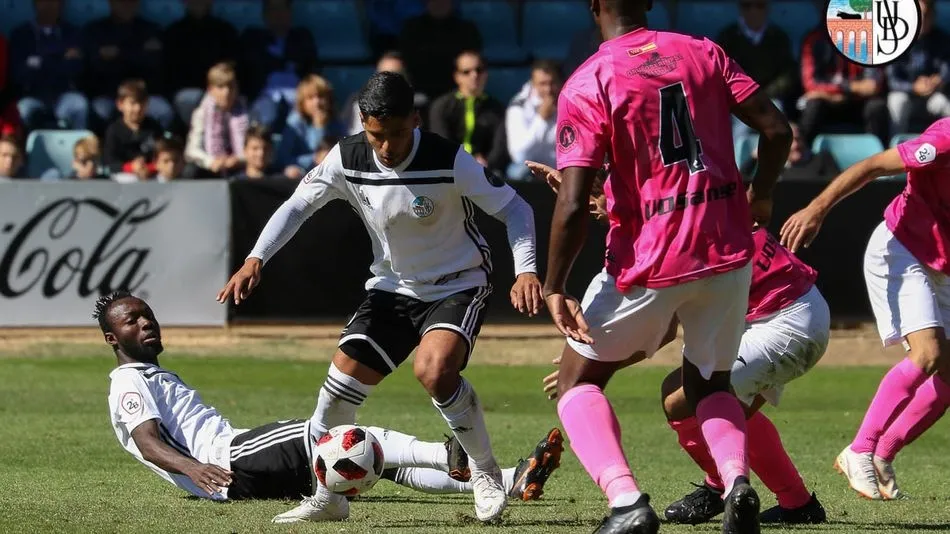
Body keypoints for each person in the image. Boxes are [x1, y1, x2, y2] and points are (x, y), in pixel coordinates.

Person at [217, 71, 543, 524]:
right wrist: (256, 258)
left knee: (434, 371)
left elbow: (517, 208)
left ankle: (485, 473)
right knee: (333, 398)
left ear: (415, 119)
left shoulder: (448, 159)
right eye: (375, 135)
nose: (386, 146)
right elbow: (297, 205)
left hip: (458, 283)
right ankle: (329, 498)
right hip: (390, 290)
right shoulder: (347, 156)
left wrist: (525, 270)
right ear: (363, 124)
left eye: (395, 133)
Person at [542, 0, 792, 532]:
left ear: (593, 6)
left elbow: (572, 201)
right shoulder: (703, 51)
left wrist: (554, 284)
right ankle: (737, 483)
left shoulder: (590, 80)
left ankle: (627, 503)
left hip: (650, 261)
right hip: (726, 252)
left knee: (574, 382)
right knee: (712, 385)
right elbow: (777, 131)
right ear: (649, 1)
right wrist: (762, 195)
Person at [532, 161, 828, 525]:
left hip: (783, 320)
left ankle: (720, 488)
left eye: (604, 187)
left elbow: (666, 327)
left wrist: (598, 363)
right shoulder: (688, 199)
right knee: (721, 400)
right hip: (792, 312)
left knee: (683, 399)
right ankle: (795, 503)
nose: (598, 202)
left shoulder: (664, 229)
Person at [98, 292, 563, 503]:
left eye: (148, 315)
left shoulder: (151, 373)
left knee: (377, 465)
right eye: (132, 320)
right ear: (110, 338)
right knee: (344, 436)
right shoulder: (127, 382)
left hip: (229, 471)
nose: (146, 323)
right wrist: (194, 468)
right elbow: (146, 439)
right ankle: (447, 452)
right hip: (229, 459)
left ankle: (506, 480)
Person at [780, 117, 950, 501]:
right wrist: (817, 208)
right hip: (901, 248)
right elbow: (871, 166)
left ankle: (882, 455)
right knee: (929, 353)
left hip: (942, 262)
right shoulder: (943, 142)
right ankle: (859, 449)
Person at [103, 79, 165, 179]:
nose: (137, 108)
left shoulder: (154, 128)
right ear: (120, 104)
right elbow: (109, 162)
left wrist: (148, 168)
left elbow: (162, 156)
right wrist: (131, 167)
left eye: (141, 103)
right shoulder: (114, 130)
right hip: (123, 175)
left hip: (150, 173)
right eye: (132, 103)